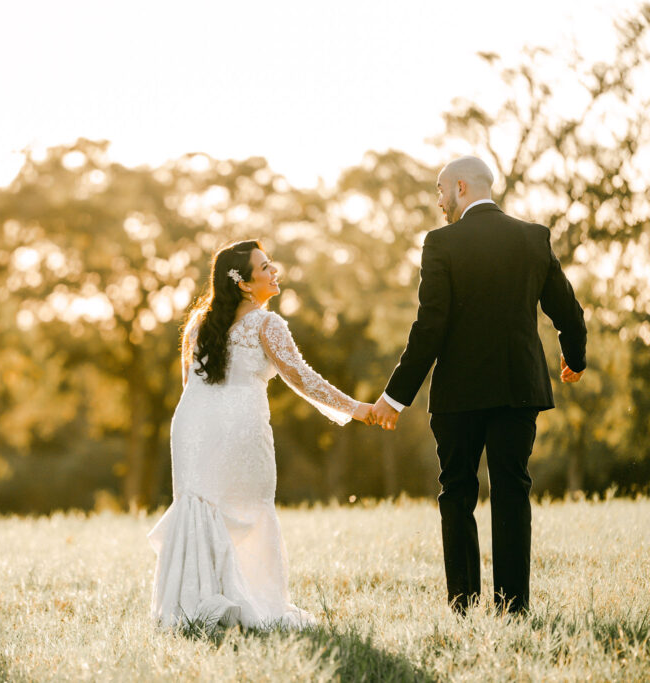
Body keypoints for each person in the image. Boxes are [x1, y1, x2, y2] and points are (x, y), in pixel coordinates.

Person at [368, 156, 587, 616]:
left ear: (461, 187)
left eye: (440, 191)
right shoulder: (533, 237)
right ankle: (513, 609)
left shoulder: (441, 243)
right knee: (512, 490)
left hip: (459, 395)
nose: (439, 201)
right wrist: (575, 355)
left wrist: (395, 397)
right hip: (518, 389)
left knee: (457, 492)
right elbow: (567, 309)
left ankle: (463, 606)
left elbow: (430, 327)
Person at [148, 239, 371, 629]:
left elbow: (190, 387)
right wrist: (357, 408)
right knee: (248, 506)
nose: (275, 271)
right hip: (239, 428)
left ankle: (194, 606)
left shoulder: (197, 325)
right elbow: (303, 379)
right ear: (245, 284)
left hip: (192, 428)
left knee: (204, 506)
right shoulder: (268, 324)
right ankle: (247, 600)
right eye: (266, 267)